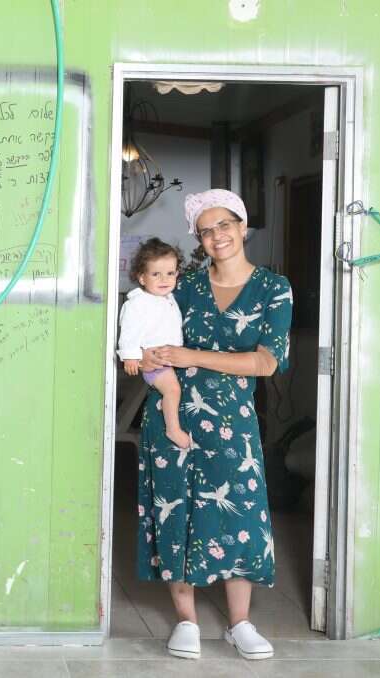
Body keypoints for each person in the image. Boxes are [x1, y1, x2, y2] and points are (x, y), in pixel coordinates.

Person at [136, 189, 293, 662]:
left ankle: (239, 623)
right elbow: (145, 332)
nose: (217, 236)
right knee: (175, 512)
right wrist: (146, 356)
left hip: (233, 423)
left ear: (243, 227)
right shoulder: (181, 287)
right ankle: (185, 620)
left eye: (224, 224)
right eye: (206, 231)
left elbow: (266, 362)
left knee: (239, 514)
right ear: (199, 240)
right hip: (173, 417)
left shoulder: (273, 288)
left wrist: (192, 356)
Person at [118, 238, 191, 450]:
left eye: (170, 273)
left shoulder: (168, 298)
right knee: (172, 391)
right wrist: (131, 356)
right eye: (156, 274)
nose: (164, 279)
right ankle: (173, 429)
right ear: (142, 277)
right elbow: (129, 330)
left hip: (167, 359)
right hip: (154, 361)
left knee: (176, 391)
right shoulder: (137, 303)